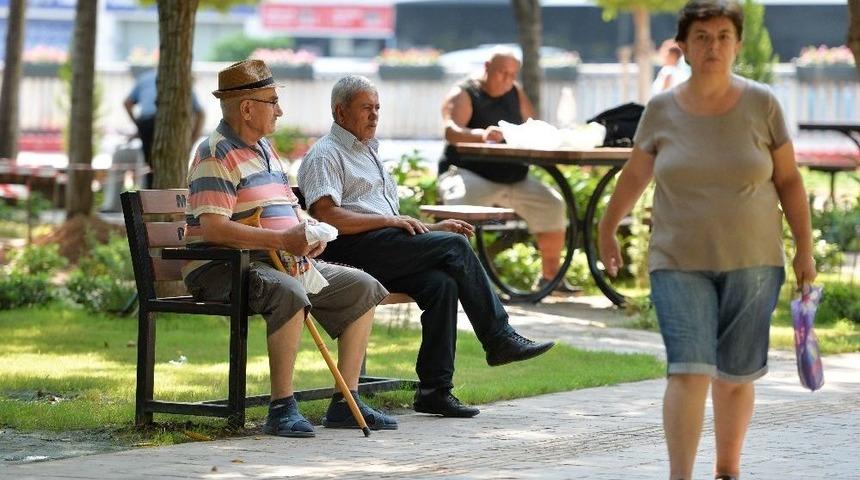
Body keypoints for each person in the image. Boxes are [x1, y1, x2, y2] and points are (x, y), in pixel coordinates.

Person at [597, 2, 816, 479]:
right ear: (685, 47)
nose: (712, 45)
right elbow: (635, 176)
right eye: (702, 37)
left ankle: (727, 470)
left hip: (755, 260)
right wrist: (607, 227)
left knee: (735, 375)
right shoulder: (661, 109)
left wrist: (805, 248)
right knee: (689, 369)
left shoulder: (764, 104)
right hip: (677, 259)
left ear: (736, 44)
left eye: (722, 36)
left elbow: (790, 182)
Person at [297, 74, 555, 419]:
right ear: (340, 112)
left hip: (380, 246)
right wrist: (392, 223)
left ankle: (435, 391)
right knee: (455, 248)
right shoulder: (326, 154)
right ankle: (498, 337)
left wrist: (432, 227)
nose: (374, 115)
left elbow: (383, 216)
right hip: (347, 252)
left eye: (377, 108)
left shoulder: (369, 152)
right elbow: (328, 215)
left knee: (441, 283)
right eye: (365, 108)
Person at [182, 60, 396, 438]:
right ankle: (281, 407)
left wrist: (308, 232)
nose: (279, 110)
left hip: (280, 259)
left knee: (364, 286)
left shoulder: (263, 148)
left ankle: (346, 402)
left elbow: (287, 208)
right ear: (247, 108)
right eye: (272, 101)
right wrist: (282, 240)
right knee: (290, 292)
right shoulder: (216, 152)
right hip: (225, 266)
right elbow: (214, 227)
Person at [438, 49, 575, 293]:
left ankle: (551, 279)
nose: (507, 79)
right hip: (469, 172)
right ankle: (462, 280)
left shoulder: (515, 92)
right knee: (462, 204)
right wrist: (483, 135)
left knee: (552, 204)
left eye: (513, 74)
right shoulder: (465, 92)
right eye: (502, 72)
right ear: (487, 67)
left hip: (514, 176)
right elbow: (451, 131)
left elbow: (531, 126)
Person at [124, 68, 205, 188]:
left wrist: (139, 126)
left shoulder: (145, 78)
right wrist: (192, 141)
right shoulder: (180, 80)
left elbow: (127, 103)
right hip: (170, 124)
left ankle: (152, 196)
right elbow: (200, 113)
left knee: (151, 166)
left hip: (147, 123)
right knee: (169, 166)